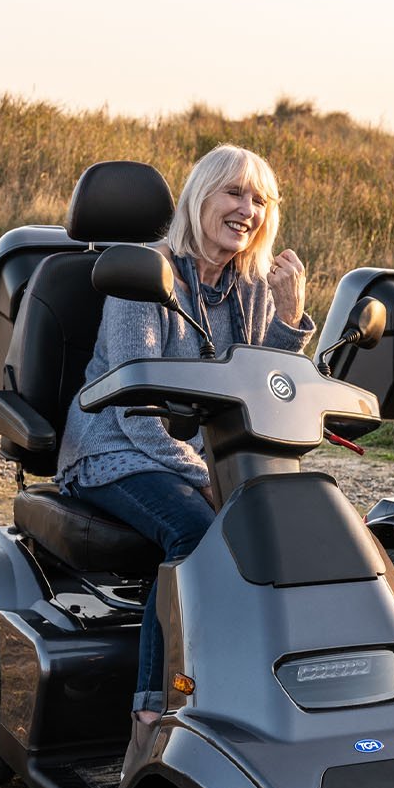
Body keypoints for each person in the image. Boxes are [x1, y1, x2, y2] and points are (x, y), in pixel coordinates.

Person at [56, 145, 315, 728]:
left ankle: (257, 690)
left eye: (259, 199)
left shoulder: (249, 286)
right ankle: (153, 711)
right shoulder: (145, 274)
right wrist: (206, 479)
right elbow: (134, 409)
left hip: (197, 460)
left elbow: (261, 388)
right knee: (196, 535)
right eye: (234, 193)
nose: (247, 209)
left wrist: (289, 316)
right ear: (201, 197)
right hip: (115, 451)